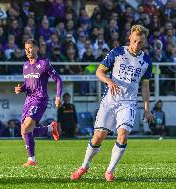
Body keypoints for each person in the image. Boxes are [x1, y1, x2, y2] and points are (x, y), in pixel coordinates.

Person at [70, 25, 154, 182]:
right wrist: (109, 81)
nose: (137, 45)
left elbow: (145, 86)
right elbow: (99, 72)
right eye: (135, 41)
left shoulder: (146, 62)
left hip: (128, 103)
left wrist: (147, 109)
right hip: (109, 101)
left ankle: (109, 170)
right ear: (129, 37)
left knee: (122, 136)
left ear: (145, 42)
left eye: (140, 42)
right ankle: (84, 166)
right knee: (98, 138)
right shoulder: (117, 52)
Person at [14, 39, 62, 166]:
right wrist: (21, 88)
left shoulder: (44, 63)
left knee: (26, 128)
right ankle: (50, 128)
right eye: (26, 49)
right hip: (28, 100)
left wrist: (58, 96)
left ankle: (32, 160)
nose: (28, 51)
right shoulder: (25, 65)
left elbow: (58, 79)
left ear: (36, 49)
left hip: (40, 99)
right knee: (24, 132)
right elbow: (28, 84)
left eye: (30, 48)